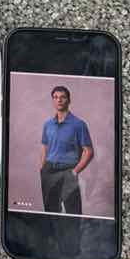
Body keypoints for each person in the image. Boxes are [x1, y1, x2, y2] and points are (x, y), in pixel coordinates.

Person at [39, 85, 93, 215]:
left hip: (68, 170)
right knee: (50, 212)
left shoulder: (79, 124)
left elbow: (88, 151)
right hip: (49, 171)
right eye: (55, 97)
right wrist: (42, 168)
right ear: (53, 100)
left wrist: (74, 172)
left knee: (73, 213)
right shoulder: (48, 125)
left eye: (62, 97)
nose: (59, 100)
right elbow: (45, 147)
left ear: (69, 100)